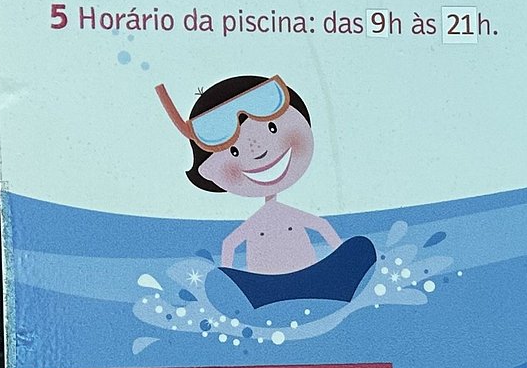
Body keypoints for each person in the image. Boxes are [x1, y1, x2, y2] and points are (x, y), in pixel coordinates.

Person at [156, 75, 375, 306]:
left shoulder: (285, 213)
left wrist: (339, 257)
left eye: (272, 128)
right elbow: (229, 244)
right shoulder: (260, 220)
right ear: (208, 171)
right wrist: (229, 279)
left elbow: (321, 226)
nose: (259, 151)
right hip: (266, 285)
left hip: (311, 275)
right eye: (234, 151)